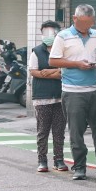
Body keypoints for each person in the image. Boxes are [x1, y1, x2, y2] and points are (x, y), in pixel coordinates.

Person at [49, 4, 96, 180]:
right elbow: (53, 60)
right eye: (83, 23)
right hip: (72, 90)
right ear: (75, 19)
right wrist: (77, 64)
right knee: (76, 131)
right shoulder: (63, 36)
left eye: (90, 23)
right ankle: (79, 167)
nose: (87, 27)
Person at [27, 20, 67, 173]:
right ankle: (42, 160)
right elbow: (34, 71)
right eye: (46, 32)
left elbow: (64, 71)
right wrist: (55, 72)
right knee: (42, 130)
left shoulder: (63, 51)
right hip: (42, 96)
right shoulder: (36, 51)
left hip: (60, 96)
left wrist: (48, 72)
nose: (49, 35)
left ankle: (59, 159)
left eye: (52, 32)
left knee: (59, 131)